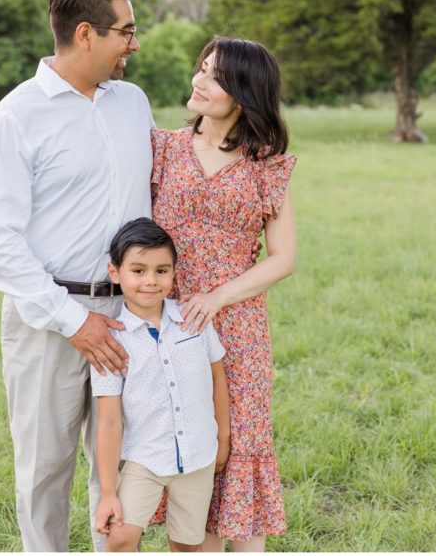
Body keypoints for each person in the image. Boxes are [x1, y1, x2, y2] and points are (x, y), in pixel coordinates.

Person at [0, 0, 154, 552]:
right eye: (125, 31)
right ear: (85, 34)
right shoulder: (16, 117)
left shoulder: (133, 103)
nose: (133, 42)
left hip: (128, 315)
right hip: (47, 318)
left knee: (123, 470)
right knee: (45, 471)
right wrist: (74, 321)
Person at [149, 38, 297, 552]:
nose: (199, 81)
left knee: (242, 448)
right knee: (190, 449)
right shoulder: (163, 148)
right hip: (170, 322)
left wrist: (216, 297)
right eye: (201, 69)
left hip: (238, 325)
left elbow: (283, 257)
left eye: (214, 76)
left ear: (243, 93)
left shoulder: (266, 164)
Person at [91, 218, 230, 552]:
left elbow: (218, 378)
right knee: (121, 538)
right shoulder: (111, 340)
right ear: (115, 273)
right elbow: (109, 420)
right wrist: (109, 492)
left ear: (173, 273)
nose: (151, 281)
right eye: (138, 271)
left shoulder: (192, 318)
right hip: (145, 458)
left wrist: (222, 438)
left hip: (198, 455)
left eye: (161, 271)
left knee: (188, 544)